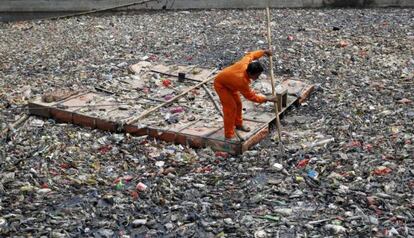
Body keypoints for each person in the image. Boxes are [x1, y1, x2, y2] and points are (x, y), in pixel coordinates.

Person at [214, 49, 277, 140]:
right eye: (256, 76)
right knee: (231, 108)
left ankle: (238, 124)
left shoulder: (245, 64)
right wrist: (266, 98)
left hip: (231, 83)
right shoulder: (241, 81)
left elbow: (251, 55)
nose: (257, 78)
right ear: (250, 73)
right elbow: (250, 96)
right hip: (221, 85)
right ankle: (229, 135)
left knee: (238, 104)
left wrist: (263, 52)